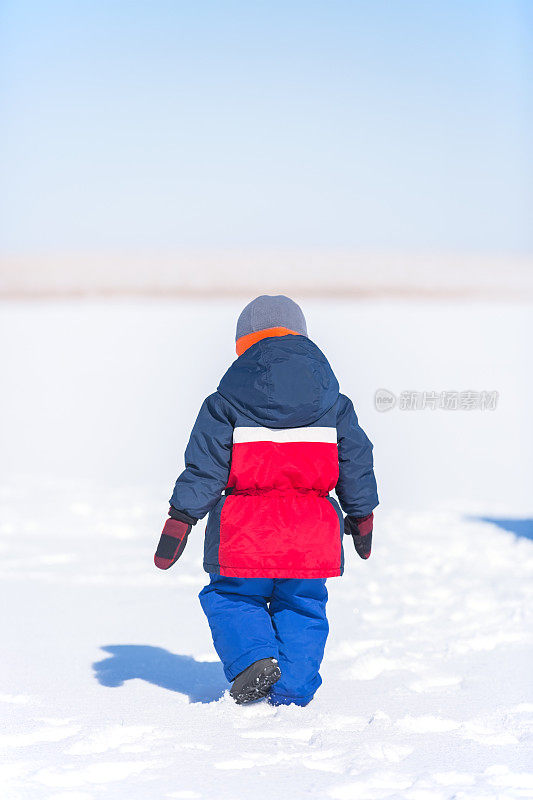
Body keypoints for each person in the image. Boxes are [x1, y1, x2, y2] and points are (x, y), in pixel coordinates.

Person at [154, 295, 378, 706]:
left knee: (232, 597)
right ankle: (293, 688)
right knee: (303, 606)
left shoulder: (224, 403)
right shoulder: (334, 403)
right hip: (311, 535)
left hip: (245, 532)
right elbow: (356, 463)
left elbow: (205, 469)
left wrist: (181, 518)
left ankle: (253, 658)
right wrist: (361, 516)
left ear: (244, 345)